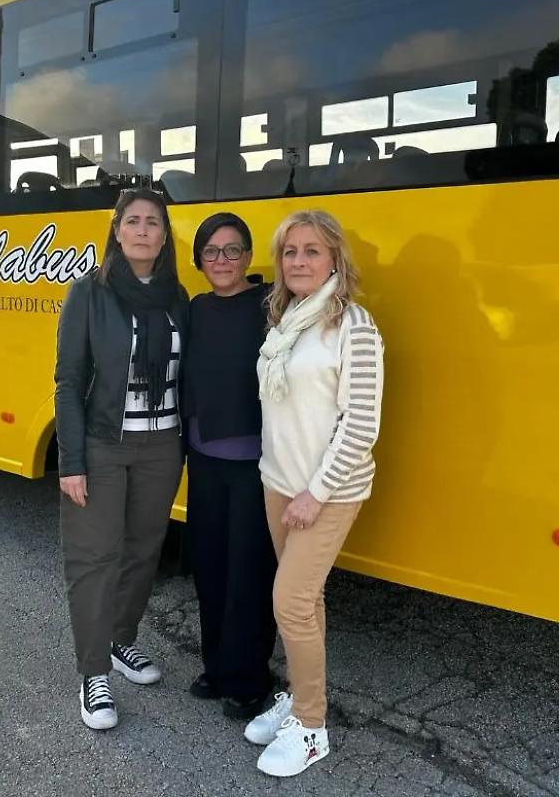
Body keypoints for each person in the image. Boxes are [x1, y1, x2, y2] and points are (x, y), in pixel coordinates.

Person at [244, 210, 385, 777]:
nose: (298, 261)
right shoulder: (286, 321)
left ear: (335, 260)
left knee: (291, 604)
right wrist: (280, 481)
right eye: (289, 251)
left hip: (327, 491)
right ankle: (303, 700)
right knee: (309, 602)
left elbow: (362, 423)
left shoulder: (354, 325)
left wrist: (315, 492)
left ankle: (311, 727)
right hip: (278, 483)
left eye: (312, 251)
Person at [53, 187, 189, 730]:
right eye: (131, 220)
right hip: (106, 443)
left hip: (163, 443)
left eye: (152, 222)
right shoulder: (89, 293)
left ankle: (120, 641)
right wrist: (71, 461)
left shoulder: (177, 296)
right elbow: (68, 382)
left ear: (163, 234)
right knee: (94, 557)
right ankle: (93, 673)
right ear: (115, 230)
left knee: (142, 553)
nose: (141, 230)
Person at [180, 212, 276, 721]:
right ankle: (216, 667)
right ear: (199, 260)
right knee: (210, 567)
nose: (222, 260)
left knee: (249, 573)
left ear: (247, 256)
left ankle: (249, 678)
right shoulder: (194, 309)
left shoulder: (271, 305)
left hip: (255, 466)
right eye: (212, 251)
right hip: (204, 459)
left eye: (233, 250)